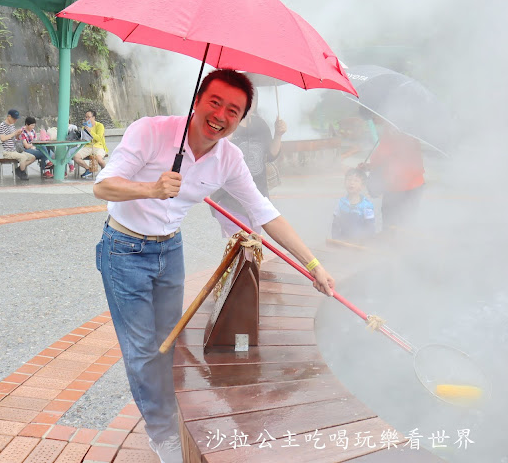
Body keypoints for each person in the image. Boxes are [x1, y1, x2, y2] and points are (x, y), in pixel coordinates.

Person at [93, 69, 334, 463]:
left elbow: (264, 211)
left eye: (233, 110)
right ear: (198, 100)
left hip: (169, 250)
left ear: (242, 120)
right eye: (215, 102)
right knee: (141, 350)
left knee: (170, 341)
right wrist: (150, 189)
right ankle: (162, 432)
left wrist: (313, 265)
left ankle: (171, 411)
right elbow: (103, 185)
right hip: (123, 249)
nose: (221, 114)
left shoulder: (229, 158)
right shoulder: (150, 131)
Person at [210, 88, 287, 236]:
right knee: (245, 243)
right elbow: (217, 150)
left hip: (256, 196)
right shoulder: (226, 122)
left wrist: (278, 135)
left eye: (253, 100)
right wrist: (234, 121)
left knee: (252, 246)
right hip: (228, 199)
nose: (249, 104)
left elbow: (271, 155)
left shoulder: (260, 124)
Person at [358, 118, 424, 229]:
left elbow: (384, 156)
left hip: (400, 185)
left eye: (373, 117)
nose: (373, 120)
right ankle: (402, 242)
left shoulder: (394, 129)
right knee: (407, 221)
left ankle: (393, 242)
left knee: (393, 223)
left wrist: (371, 165)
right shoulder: (396, 127)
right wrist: (369, 166)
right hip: (412, 183)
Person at [331, 168, 375, 240]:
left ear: (362, 186)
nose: (351, 183)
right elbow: (335, 224)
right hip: (343, 240)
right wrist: (335, 238)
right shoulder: (341, 202)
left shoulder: (367, 206)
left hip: (360, 241)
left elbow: (370, 227)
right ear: (344, 183)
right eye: (349, 179)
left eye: (356, 180)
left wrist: (366, 242)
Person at [0, 109, 35, 181]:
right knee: (23, 157)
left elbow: (15, 138)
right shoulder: (2, 126)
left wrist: (18, 134)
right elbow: (2, 138)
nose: (15, 120)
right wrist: (14, 133)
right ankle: (22, 172)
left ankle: (19, 170)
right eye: (14, 118)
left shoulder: (12, 126)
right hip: (8, 151)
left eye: (16, 119)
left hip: (15, 149)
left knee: (32, 157)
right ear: (9, 116)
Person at [74, 110, 108, 178]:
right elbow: (84, 139)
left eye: (89, 117)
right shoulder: (85, 127)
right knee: (75, 156)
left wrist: (90, 131)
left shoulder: (99, 126)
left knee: (99, 159)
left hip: (98, 146)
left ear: (93, 117)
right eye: (86, 117)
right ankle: (88, 169)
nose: (87, 119)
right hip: (87, 146)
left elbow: (98, 138)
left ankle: (107, 170)